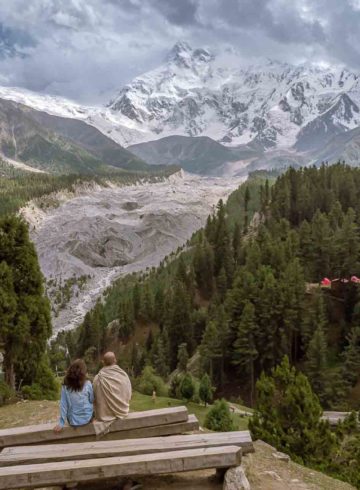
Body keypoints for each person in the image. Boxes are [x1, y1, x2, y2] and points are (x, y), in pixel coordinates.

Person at [53, 359, 94, 433]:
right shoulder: (88, 383)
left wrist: (61, 423)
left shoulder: (65, 386)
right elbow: (91, 400)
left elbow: (63, 404)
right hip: (88, 418)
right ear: (83, 372)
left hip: (73, 421)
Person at [93, 351, 132, 421]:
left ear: (103, 362)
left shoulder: (97, 378)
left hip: (103, 417)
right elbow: (129, 395)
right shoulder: (124, 376)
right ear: (115, 360)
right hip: (122, 413)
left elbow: (94, 399)